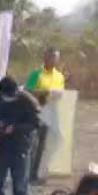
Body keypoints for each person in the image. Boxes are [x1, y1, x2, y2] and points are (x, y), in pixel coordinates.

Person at [26, 48, 66, 184]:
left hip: (52, 112)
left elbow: (60, 93)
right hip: (39, 112)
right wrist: (43, 92)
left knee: (56, 140)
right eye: (51, 57)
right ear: (45, 58)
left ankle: (42, 170)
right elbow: (28, 91)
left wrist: (54, 94)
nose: (54, 60)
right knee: (38, 145)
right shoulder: (36, 74)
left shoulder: (60, 76)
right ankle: (33, 174)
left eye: (56, 58)